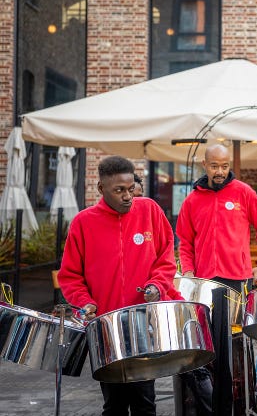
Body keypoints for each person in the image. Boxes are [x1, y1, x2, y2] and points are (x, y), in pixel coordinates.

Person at [57, 156, 179, 415]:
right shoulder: (83, 222)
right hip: (105, 329)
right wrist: (84, 302)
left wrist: (157, 284)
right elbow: (70, 277)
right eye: (119, 190)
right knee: (113, 404)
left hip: (144, 324)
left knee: (145, 401)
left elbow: (166, 259)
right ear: (101, 189)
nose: (128, 196)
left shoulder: (150, 211)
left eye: (130, 188)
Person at [176, 144, 257, 294]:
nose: (220, 172)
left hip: (239, 277)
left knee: (238, 319)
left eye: (225, 166)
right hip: (204, 279)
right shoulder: (191, 201)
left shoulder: (244, 192)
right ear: (205, 164)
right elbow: (185, 242)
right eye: (214, 166)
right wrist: (188, 270)